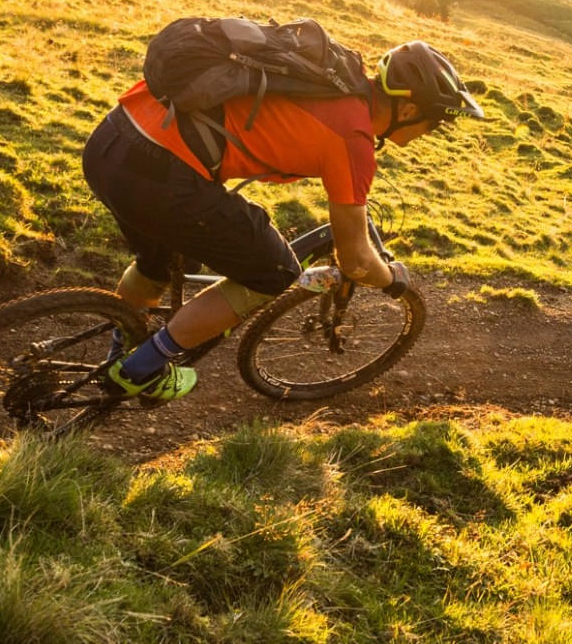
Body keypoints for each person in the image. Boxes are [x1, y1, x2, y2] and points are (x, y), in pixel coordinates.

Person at [81, 35, 483, 400]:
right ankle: (139, 370)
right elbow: (356, 260)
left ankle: (120, 347)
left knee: (161, 263)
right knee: (272, 272)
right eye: (433, 122)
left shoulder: (329, 76)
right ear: (409, 108)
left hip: (112, 141)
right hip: (161, 174)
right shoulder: (353, 138)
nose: (430, 132)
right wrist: (393, 279)